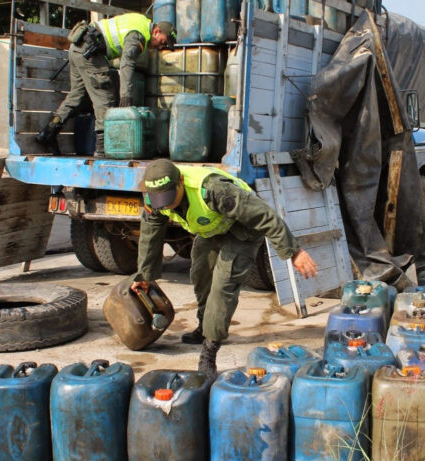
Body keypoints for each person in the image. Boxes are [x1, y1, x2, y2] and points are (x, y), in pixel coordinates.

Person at [130, 159, 318, 379]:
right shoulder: (155, 200)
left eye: (169, 197)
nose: (166, 205)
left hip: (242, 229)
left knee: (223, 284)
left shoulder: (215, 190)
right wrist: (144, 275)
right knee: (201, 275)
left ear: (180, 181)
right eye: (160, 199)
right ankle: (204, 326)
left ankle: (210, 348)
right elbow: (151, 234)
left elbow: (264, 216)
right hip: (213, 228)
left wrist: (293, 251)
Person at [36, 13, 176, 158]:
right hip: (89, 52)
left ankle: (48, 133)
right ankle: (102, 149)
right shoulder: (139, 36)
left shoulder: (141, 20)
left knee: (77, 96)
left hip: (78, 48)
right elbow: (127, 63)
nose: (162, 46)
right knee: (105, 98)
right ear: (156, 31)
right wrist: (126, 95)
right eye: (163, 42)